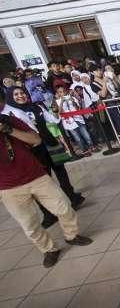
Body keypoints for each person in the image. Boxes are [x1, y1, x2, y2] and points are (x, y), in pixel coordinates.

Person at [0, 109, 92, 267]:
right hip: (8, 187)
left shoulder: (9, 120)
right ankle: (49, 250)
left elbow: (35, 140)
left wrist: (9, 130)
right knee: (29, 225)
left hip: (37, 176)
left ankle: (72, 236)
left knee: (64, 207)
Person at [3, 87, 85, 228]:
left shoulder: (37, 106)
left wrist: (54, 110)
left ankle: (72, 198)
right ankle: (48, 214)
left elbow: (53, 119)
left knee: (61, 172)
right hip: (34, 150)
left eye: (22, 93)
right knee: (43, 180)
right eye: (16, 94)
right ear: (10, 97)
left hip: (51, 144)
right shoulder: (9, 115)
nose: (20, 96)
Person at [55, 86, 98, 156]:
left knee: (86, 134)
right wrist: (61, 103)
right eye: (60, 92)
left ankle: (92, 146)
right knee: (77, 138)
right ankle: (84, 150)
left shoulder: (73, 98)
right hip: (69, 122)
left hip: (78, 118)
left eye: (63, 91)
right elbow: (59, 113)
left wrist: (73, 102)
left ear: (66, 91)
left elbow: (78, 108)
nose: (62, 93)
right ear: (58, 93)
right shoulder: (57, 102)